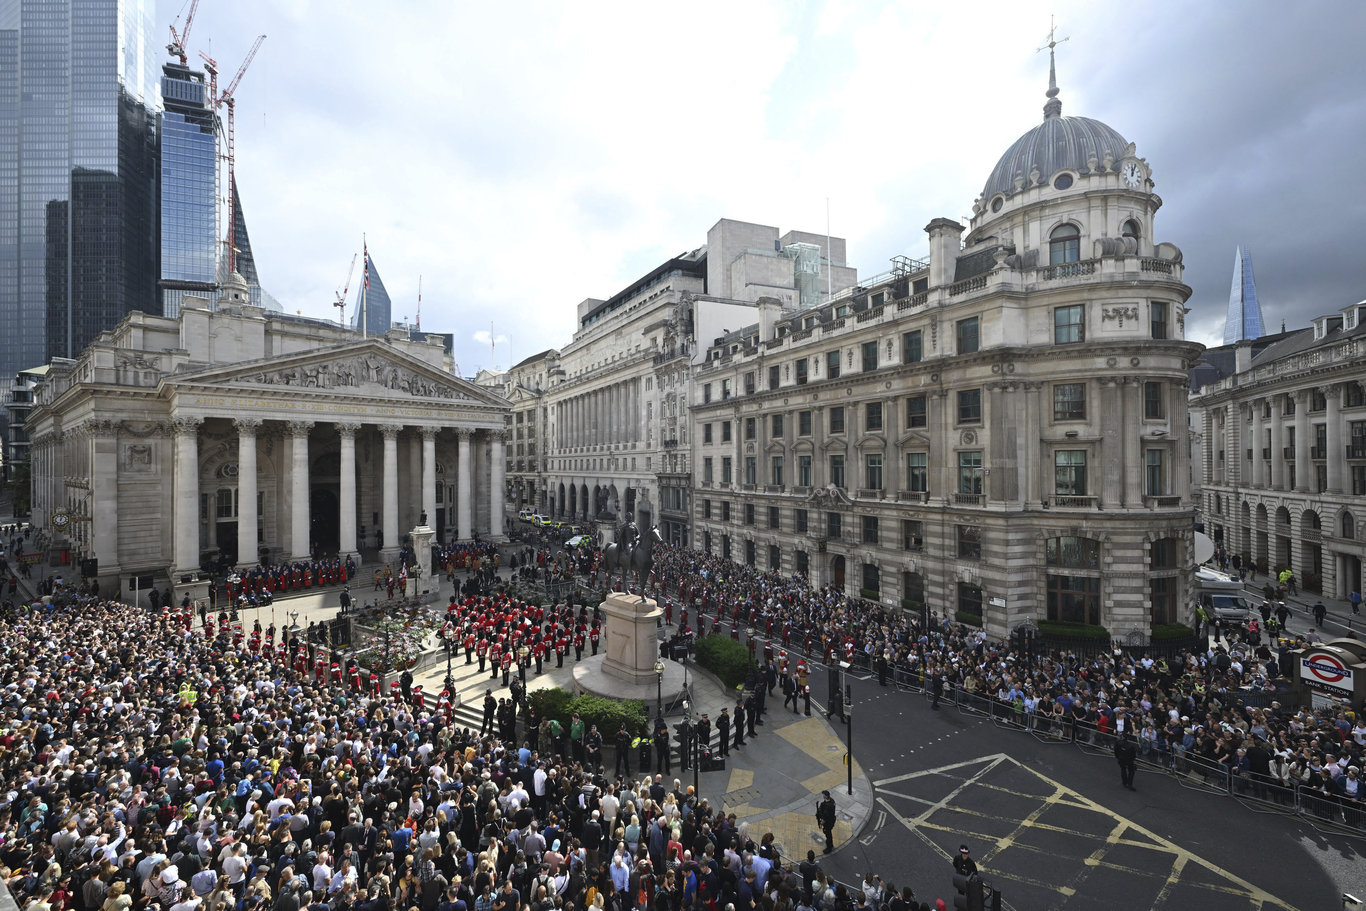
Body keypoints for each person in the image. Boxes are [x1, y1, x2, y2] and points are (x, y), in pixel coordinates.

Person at [816, 790, 836, 855]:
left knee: (828, 834)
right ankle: (831, 844)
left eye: (823, 796)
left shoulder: (827, 807)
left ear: (825, 797)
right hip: (831, 821)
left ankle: (829, 847)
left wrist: (821, 824)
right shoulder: (832, 801)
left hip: (827, 823)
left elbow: (824, 818)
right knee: (829, 833)